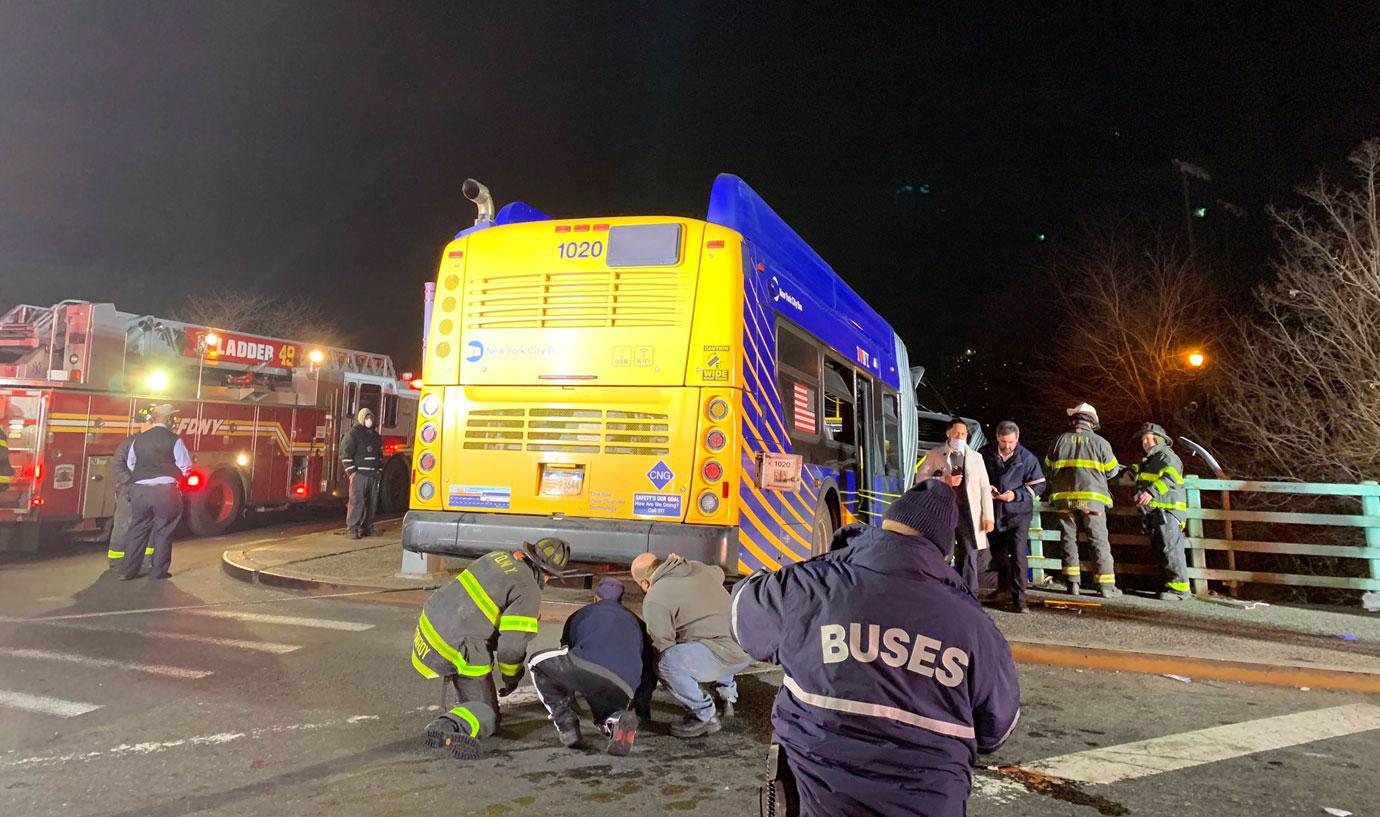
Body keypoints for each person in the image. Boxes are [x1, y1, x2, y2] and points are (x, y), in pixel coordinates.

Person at [731, 480, 1021, 817]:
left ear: (885, 526)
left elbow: (742, 616)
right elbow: (996, 731)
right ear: (944, 552)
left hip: (818, 804)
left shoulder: (808, 587)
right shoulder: (976, 627)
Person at [413, 537, 573, 759]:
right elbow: (510, 648)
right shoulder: (528, 589)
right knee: (488, 716)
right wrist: (511, 678)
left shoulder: (498, 556)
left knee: (475, 695)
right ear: (547, 573)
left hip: (431, 626)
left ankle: (462, 705)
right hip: (456, 647)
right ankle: (446, 727)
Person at [527, 577, 655, 756]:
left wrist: (570, 700)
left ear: (595, 598)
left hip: (587, 664)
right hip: (625, 683)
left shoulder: (582, 613)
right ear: (621, 600)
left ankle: (567, 724)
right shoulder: (636, 621)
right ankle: (616, 719)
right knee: (607, 713)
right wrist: (641, 708)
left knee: (537, 663)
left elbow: (566, 650)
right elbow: (649, 668)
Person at [630, 551, 751, 738]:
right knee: (716, 629)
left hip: (722, 655)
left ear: (645, 583)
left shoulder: (655, 597)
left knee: (665, 663)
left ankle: (704, 715)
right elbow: (719, 573)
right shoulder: (697, 566)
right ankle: (726, 698)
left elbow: (662, 645)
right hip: (747, 646)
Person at [1044, 402, 1122, 598]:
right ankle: (1105, 586)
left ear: (1074, 420)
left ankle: (1072, 583)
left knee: (1068, 539)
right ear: (1092, 422)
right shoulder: (1101, 443)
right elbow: (1112, 470)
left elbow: (1047, 468)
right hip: (1093, 500)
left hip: (1064, 499)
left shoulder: (1058, 441)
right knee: (1098, 541)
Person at [915, 417, 994, 595]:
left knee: (969, 553)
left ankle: (970, 593)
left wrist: (988, 517)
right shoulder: (935, 454)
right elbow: (920, 479)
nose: (960, 436)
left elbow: (984, 488)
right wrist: (944, 480)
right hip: (944, 512)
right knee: (943, 552)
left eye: (964, 434)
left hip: (969, 514)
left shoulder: (976, 458)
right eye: (957, 433)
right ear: (948, 433)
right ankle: (940, 590)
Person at [119, 404, 191, 580]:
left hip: (140, 492)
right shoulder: (174, 440)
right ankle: (158, 572)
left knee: (137, 529)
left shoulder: (139, 439)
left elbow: (131, 464)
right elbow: (186, 466)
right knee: (163, 531)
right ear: (169, 419)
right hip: (165, 492)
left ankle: (128, 571)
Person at [980, 421, 1046, 612]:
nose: (1007, 446)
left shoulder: (1027, 458)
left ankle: (1020, 599)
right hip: (994, 510)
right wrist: (987, 488)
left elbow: (1038, 484)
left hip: (1018, 513)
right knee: (998, 553)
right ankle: (1004, 588)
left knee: (1018, 554)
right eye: (1003, 442)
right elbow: (977, 476)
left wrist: (1016, 495)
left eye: (1010, 442)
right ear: (997, 438)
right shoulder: (985, 454)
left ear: (1017, 438)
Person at [1131, 423, 1191, 601]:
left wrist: (1151, 492)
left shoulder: (1167, 456)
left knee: (1171, 548)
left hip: (1169, 511)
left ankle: (1180, 589)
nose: (1146, 442)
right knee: (1164, 548)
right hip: (1158, 512)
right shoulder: (1151, 460)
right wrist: (1130, 471)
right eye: (1144, 439)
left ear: (1160, 440)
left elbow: (1171, 477)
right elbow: (1146, 475)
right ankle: (1171, 585)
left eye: (1150, 438)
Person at [107, 407, 156, 571]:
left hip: (148, 491)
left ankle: (146, 560)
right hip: (132, 492)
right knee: (124, 525)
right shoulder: (130, 443)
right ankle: (117, 561)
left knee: (149, 525)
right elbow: (117, 465)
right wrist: (130, 483)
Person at [339, 407, 383, 539]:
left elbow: (379, 454)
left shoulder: (376, 436)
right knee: (356, 502)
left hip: (373, 475)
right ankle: (352, 529)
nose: (369, 420)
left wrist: (379, 470)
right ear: (361, 418)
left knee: (372, 504)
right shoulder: (353, 434)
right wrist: (351, 472)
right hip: (359, 475)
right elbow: (345, 453)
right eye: (367, 417)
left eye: (371, 418)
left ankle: (367, 528)